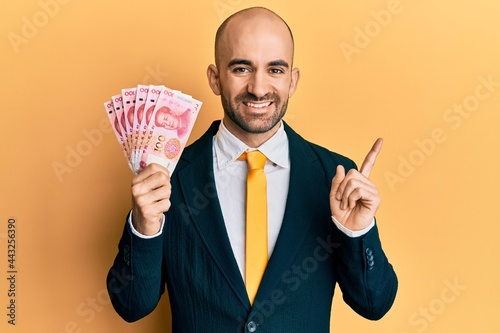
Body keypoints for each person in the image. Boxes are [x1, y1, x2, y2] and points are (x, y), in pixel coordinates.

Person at [107, 6, 397, 332]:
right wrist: (144, 228)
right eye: (242, 68)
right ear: (215, 78)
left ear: (293, 80)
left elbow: (374, 304)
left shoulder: (335, 175)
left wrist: (356, 232)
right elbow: (131, 305)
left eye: (275, 70)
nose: (258, 88)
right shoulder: (168, 177)